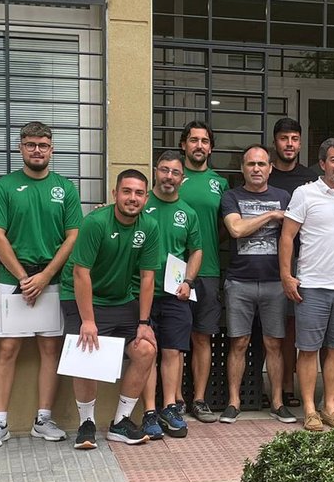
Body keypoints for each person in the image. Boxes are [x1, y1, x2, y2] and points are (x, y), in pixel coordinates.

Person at [0, 123, 82, 450]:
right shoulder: (5, 186)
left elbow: (73, 237)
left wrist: (45, 275)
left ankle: (43, 419)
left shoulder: (65, 188)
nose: (36, 150)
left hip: (51, 283)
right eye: (30, 144)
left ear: (52, 149)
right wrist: (24, 277)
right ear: (20, 148)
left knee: (50, 350)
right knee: (7, 350)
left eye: (43, 145)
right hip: (13, 283)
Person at [65, 169, 160, 450]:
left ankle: (121, 423)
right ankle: (87, 424)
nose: (133, 198)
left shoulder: (150, 226)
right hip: (84, 298)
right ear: (115, 194)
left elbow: (147, 278)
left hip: (122, 299)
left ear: (146, 197)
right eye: (127, 191)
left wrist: (144, 322)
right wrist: (88, 321)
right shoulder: (95, 222)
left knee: (146, 349)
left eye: (139, 193)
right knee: (85, 353)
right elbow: (81, 273)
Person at [280, 138, 334, 431]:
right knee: (308, 350)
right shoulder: (305, 194)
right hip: (312, 285)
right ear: (323, 163)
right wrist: (286, 276)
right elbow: (287, 237)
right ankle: (309, 409)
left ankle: (329, 407)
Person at [220, 145, 295, 424]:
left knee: (274, 343)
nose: (256, 169)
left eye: (262, 164)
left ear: (270, 168)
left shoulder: (283, 196)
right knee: (239, 342)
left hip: (276, 282)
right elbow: (236, 229)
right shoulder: (231, 196)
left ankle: (277, 402)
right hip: (240, 281)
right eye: (251, 164)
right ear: (242, 168)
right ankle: (233, 402)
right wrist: (272, 216)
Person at [140, 150, 203, 439]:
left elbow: (196, 251)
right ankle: (149, 411)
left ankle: (169, 407)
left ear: (182, 178)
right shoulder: (140, 204)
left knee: (172, 351)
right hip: (141, 293)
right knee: (146, 352)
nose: (169, 177)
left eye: (175, 172)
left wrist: (189, 281)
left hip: (174, 293)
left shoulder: (188, 213)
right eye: (164, 170)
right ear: (156, 171)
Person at [177, 121, 228, 424]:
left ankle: (199, 398)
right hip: (172, 271)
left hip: (207, 270)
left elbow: (226, 226)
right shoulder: (173, 178)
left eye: (205, 141)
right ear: (183, 144)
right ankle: (174, 399)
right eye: (193, 140)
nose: (199, 146)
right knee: (173, 338)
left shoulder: (219, 183)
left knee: (202, 337)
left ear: (210, 147)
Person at [267, 117, 318, 408]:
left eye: (294, 139)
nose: (289, 144)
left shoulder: (309, 178)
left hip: (302, 260)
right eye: (284, 138)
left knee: (292, 326)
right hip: (262, 260)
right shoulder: (265, 174)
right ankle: (270, 386)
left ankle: (288, 387)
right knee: (270, 331)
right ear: (276, 141)